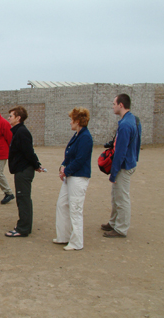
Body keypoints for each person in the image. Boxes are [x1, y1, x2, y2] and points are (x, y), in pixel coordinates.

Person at [101, 94, 141, 238]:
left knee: (121, 198)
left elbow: (120, 152)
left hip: (123, 166)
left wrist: (114, 172)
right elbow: (137, 143)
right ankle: (113, 222)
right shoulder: (134, 120)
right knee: (116, 195)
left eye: (114, 104)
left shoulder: (125, 125)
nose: (113, 106)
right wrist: (135, 159)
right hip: (129, 163)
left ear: (121, 105)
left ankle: (121, 228)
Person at [54, 108, 93, 250]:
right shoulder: (77, 135)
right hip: (70, 176)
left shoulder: (85, 137)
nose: (70, 122)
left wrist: (66, 171)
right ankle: (64, 236)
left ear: (78, 121)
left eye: (71, 120)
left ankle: (77, 242)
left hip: (78, 177)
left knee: (75, 209)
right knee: (62, 204)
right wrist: (63, 166)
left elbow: (80, 159)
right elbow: (69, 155)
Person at [4, 106, 44, 238]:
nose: (9, 118)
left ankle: (23, 228)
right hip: (21, 169)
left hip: (24, 170)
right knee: (22, 199)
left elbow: (29, 152)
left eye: (11, 116)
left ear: (18, 118)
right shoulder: (18, 131)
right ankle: (24, 225)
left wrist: (36, 165)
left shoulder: (22, 132)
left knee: (23, 199)